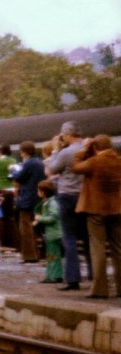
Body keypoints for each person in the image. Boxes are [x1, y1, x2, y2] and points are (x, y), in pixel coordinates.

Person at [71, 134, 121, 298]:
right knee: (118, 248)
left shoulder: (94, 162)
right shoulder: (118, 161)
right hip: (116, 209)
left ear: (94, 146)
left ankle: (100, 289)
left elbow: (75, 167)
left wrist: (83, 149)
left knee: (97, 248)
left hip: (96, 210)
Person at [47, 120, 91, 291]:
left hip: (67, 196)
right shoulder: (88, 149)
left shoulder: (66, 152)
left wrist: (56, 149)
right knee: (89, 237)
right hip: (86, 196)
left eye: (63, 134)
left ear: (67, 134)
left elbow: (52, 169)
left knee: (69, 237)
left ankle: (73, 279)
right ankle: (94, 274)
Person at [11, 141, 46, 263]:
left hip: (27, 199)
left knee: (25, 228)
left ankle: (29, 255)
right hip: (37, 198)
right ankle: (37, 253)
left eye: (21, 152)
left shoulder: (28, 163)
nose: (20, 154)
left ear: (24, 152)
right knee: (35, 227)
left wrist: (13, 170)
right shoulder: (40, 162)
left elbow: (18, 177)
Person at [33, 179, 63, 284]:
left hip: (54, 234)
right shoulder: (47, 202)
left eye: (38, 190)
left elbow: (53, 218)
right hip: (51, 234)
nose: (37, 192)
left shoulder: (52, 203)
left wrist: (39, 219)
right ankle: (52, 275)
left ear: (43, 192)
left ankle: (55, 276)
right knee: (51, 256)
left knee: (53, 256)